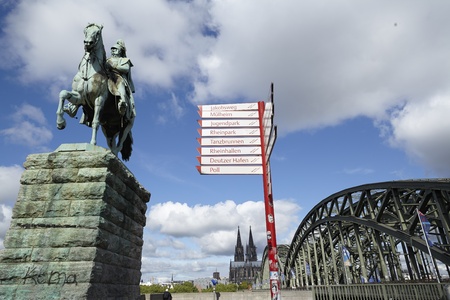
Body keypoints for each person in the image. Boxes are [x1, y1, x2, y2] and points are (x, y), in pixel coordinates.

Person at [106, 39, 136, 120]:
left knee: (121, 84)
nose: (113, 51)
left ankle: (122, 102)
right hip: (108, 77)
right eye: (112, 49)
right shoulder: (107, 60)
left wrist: (113, 66)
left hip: (119, 77)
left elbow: (125, 69)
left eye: (115, 49)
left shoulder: (125, 60)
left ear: (120, 51)